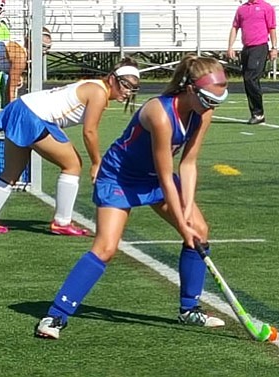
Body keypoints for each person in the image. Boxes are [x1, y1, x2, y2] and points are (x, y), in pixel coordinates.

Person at [34, 54, 228, 340]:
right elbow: (165, 174)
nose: (212, 106)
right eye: (208, 99)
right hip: (120, 178)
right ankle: (55, 315)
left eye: (217, 100)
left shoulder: (203, 113)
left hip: (152, 179)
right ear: (189, 89)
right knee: (106, 247)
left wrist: (186, 214)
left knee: (198, 229)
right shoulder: (160, 114)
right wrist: (181, 222)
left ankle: (189, 309)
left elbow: (187, 164)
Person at [0, 57, 140, 236]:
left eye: (132, 88)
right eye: (125, 85)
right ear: (112, 79)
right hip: (35, 116)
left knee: (11, 173)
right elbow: (90, 132)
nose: (128, 92)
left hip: (21, 108)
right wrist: (96, 162)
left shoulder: (94, 85)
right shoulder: (99, 93)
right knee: (73, 165)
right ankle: (62, 222)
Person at [227, 0, 277, 125]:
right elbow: (235, 27)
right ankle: (256, 112)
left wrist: (274, 48)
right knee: (248, 79)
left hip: (259, 47)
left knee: (251, 78)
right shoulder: (242, 9)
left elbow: (272, 28)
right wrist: (230, 46)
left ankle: (258, 112)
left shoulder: (266, 7)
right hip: (247, 48)